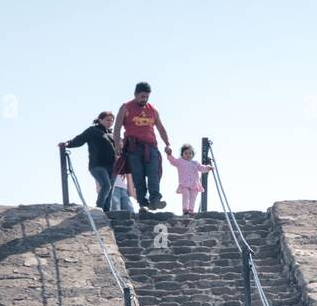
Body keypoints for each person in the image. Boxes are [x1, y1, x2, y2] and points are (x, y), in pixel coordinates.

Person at [114, 82, 170, 212]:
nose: (144, 99)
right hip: (133, 147)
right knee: (138, 176)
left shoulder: (152, 109)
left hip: (151, 147)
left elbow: (161, 128)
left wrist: (167, 144)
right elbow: (117, 127)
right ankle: (143, 203)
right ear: (135, 94)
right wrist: (117, 145)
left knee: (153, 173)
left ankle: (155, 200)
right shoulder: (126, 107)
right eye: (142, 96)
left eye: (147, 97)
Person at [59, 111, 117, 212]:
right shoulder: (93, 130)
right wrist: (67, 144)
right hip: (97, 164)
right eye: (107, 120)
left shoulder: (112, 134)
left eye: (112, 121)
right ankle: (99, 207)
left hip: (112, 165)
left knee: (110, 188)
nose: (110, 122)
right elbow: (80, 139)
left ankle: (107, 211)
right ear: (100, 120)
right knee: (106, 185)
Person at [164, 144, 213, 215]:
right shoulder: (180, 161)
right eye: (186, 153)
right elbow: (173, 161)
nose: (188, 155)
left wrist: (208, 167)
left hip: (194, 184)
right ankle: (185, 209)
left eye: (190, 153)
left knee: (193, 198)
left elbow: (202, 168)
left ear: (193, 154)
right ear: (182, 154)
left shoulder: (195, 163)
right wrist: (169, 154)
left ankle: (191, 210)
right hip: (184, 183)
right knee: (186, 195)